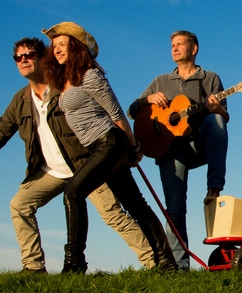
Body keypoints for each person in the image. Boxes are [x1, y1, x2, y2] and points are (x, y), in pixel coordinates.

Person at [4, 37, 157, 273]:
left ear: (42, 58)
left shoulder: (64, 86)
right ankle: (33, 266)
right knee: (19, 204)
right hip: (50, 170)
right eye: (18, 57)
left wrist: (128, 147)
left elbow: (105, 114)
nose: (23, 60)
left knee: (112, 214)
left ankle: (153, 261)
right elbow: (2, 130)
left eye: (29, 55)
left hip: (85, 162)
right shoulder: (20, 100)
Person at [41, 21, 177, 273]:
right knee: (136, 205)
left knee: (73, 191)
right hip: (97, 147)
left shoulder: (91, 76)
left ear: (76, 47)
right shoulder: (65, 81)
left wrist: (134, 148)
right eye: (54, 46)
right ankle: (167, 263)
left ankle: (74, 263)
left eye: (62, 44)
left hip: (110, 142)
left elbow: (116, 114)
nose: (56, 50)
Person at [128, 30, 229, 270]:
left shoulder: (210, 78)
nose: (174, 48)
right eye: (172, 44)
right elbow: (133, 110)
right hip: (170, 150)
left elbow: (225, 116)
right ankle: (179, 266)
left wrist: (215, 109)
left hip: (198, 145)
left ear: (194, 49)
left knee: (216, 121)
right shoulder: (161, 81)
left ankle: (214, 186)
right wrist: (148, 100)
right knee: (174, 207)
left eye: (180, 44)